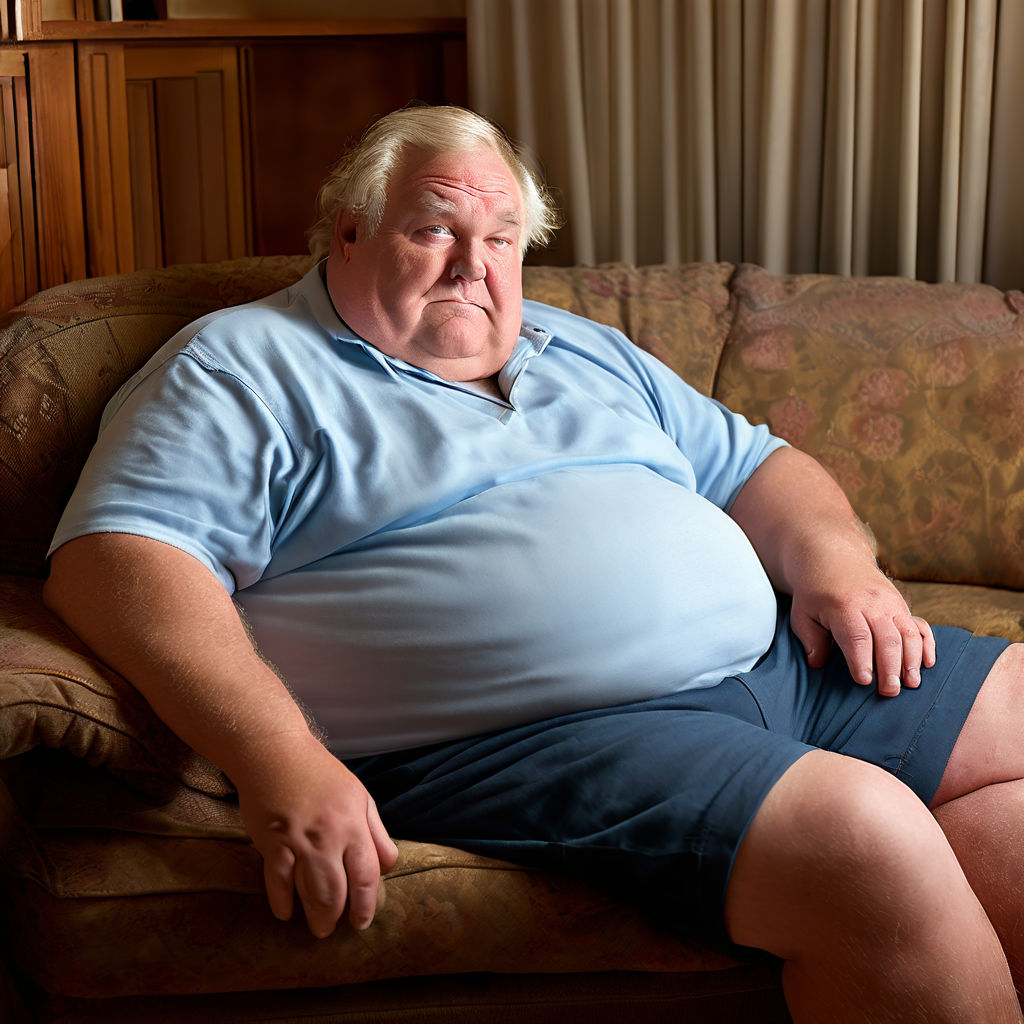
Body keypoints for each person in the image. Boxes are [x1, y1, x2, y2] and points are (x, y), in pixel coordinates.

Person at [43, 105, 1024, 1023]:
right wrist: (279, 758)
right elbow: (116, 560)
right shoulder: (241, 366)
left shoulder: (576, 344)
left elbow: (757, 466)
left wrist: (835, 560)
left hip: (778, 663)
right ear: (347, 231)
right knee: (864, 837)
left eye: (502, 239)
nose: (475, 266)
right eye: (434, 230)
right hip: (531, 735)